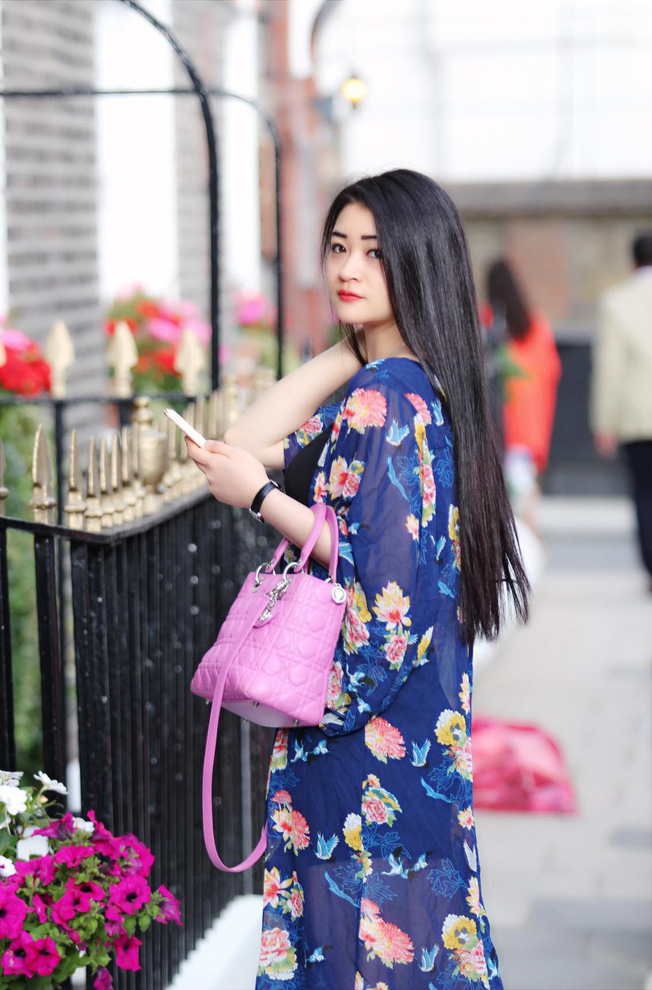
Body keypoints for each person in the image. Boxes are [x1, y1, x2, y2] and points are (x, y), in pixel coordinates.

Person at [187, 169, 530, 989]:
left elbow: (383, 589)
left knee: (358, 958)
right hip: (413, 745)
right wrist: (354, 345)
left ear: (418, 260)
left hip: (364, 748)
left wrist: (263, 499)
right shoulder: (407, 384)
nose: (348, 268)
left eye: (375, 253)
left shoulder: (388, 396)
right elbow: (244, 441)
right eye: (339, 247)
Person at [590, 232, 652, 593]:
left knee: (644, 494)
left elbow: (610, 368)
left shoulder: (617, 302)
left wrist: (605, 422)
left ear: (633, 262)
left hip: (638, 416)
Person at [483, 259, 562, 532]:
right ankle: (528, 548)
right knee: (524, 497)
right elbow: (551, 372)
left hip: (493, 423)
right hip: (527, 426)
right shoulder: (536, 325)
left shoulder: (485, 322)